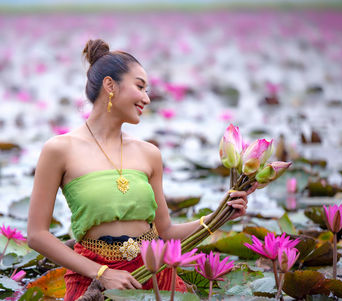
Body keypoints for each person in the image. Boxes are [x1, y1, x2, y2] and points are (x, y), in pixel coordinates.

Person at [27, 39, 256, 301]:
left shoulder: (150, 154)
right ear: (110, 86)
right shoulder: (59, 149)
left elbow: (165, 232)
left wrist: (220, 215)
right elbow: (37, 235)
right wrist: (101, 272)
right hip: (94, 281)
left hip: (155, 276)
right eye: (140, 86)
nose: (147, 98)